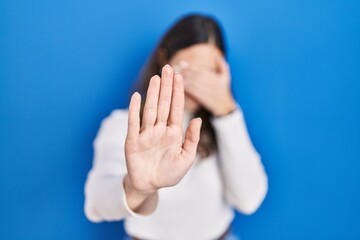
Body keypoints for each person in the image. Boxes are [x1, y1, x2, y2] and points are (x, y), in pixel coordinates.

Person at [84, 14, 268, 240]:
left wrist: (226, 111)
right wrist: (138, 188)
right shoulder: (122, 125)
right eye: (188, 68)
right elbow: (97, 202)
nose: (197, 83)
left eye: (208, 72)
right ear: (164, 59)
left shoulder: (224, 126)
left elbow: (248, 200)